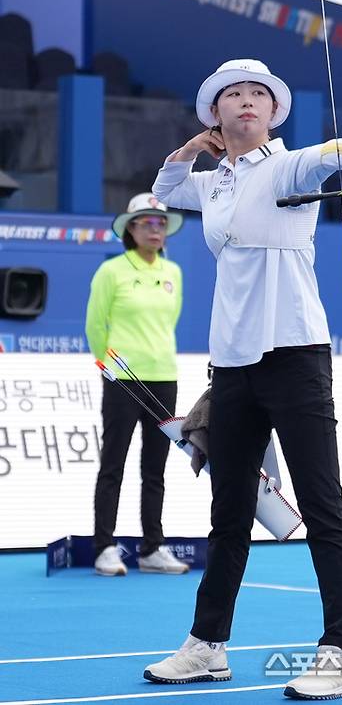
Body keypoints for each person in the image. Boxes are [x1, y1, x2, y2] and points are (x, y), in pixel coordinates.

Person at [142, 59, 342, 699]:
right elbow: (165, 186)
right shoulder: (212, 184)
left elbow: (334, 154)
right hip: (231, 364)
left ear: (272, 112)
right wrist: (190, 148)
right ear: (216, 115)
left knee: (322, 505)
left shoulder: (288, 165)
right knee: (229, 513)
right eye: (231, 96)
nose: (245, 102)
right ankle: (207, 646)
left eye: (257, 95)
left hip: (295, 355)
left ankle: (339, 655)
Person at [86, 193, 189, 576]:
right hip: (122, 380)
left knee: (155, 468)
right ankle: (104, 546)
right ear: (131, 228)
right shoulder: (111, 271)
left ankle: (152, 548)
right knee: (113, 463)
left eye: (161, 223)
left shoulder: (173, 273)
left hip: (164, 377)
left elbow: (169, 322)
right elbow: (95, 326)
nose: (156, 229)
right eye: (147, 222)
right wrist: (108, 365)